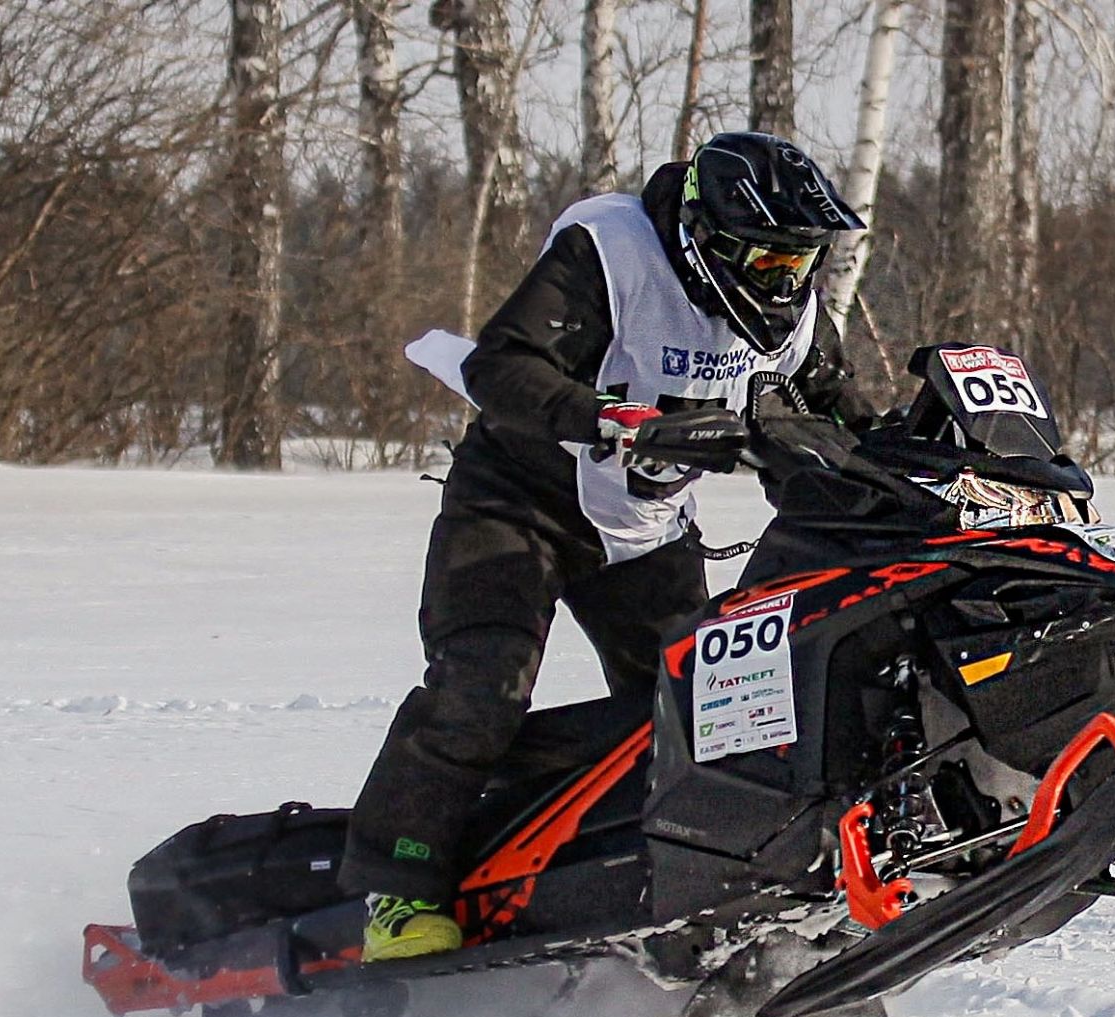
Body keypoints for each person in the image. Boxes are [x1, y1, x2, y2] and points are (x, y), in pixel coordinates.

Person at [341, 132, 878, 962]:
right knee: (480, 686)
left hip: (644, 532)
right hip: (518, 504)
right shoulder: (611, 249)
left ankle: (652, 869)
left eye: (800, 263)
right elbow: (502, 366)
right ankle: (399, 889)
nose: (785, 282)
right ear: (706, 238)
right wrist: (610, 419)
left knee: (712, 714)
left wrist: (926, 465)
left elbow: (841, 420)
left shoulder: (795, 314)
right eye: (767, 261)